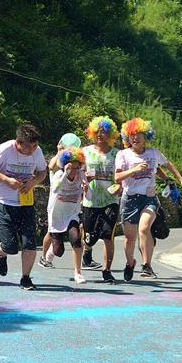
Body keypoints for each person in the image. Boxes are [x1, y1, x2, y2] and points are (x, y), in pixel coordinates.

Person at [114, 118, 182, 281]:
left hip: (149, 198)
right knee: (129, 238)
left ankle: (147, 266)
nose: (135, 137)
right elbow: (117, 177)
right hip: (130, 199)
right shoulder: (123, 155)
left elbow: (167, 165)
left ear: (145, 136)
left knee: (144, 228)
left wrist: (180, 180)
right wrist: (134, 169)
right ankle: (130, 263)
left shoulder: (153, 153)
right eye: (131, 135)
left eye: (139, 134)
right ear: (127, 138)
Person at [0, 123, 48, 290]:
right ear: (18, 143)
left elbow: (42, 172)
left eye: (35, 145)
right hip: (4, 202)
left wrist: (33, 182)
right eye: (29, 146)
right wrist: (6, 180)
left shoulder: (37, 151)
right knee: (10, 246)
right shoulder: (5, 149)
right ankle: (1, 252)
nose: (33, 149)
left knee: (30, 242)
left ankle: (26, 278)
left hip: (26, 203)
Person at [80, 117, 122, 283]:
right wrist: (84, 181)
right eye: (97, 132)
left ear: (110, 134)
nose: (100, 135)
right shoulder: (85, 152)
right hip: (90, 200)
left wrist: (121, 186)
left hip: (110, 200)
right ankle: (87, 249)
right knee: (90, 236)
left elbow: (122, 176)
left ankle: (107, 270)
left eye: (104, 132)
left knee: (107, 236)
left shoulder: (117, 154)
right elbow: (78, 172)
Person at [41, 147, 88, 284]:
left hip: (72, 214)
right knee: (58, 251)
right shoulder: (58, 175)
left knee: (76, 240)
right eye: (70, 168)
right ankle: (50, 253)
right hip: (56, 215)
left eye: (76, 168)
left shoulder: (81, 175)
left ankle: (78, 273)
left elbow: (88, 196)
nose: (73, 171)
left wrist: (86, 190)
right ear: (64, 166)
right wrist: (64, 174)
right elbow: (55, 189)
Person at [39, 133, 82, 269]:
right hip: (56, 202)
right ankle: (44, 256)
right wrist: (59, 151)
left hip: (70, 203)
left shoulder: (75, 162)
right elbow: (51, 166)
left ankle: (50, 255)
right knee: (51, 231)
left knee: (70, 232)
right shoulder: (59, 161)